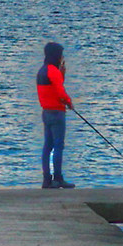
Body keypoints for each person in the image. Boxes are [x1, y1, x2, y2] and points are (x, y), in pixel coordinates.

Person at [35, 41, 74, 189]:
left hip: (46, 112)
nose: (62, 57)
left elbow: (52, 88)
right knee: (58, 146)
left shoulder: (42, 70)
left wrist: (61, 75)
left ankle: (47, 180)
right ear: (56, 55)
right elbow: (60, 93)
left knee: (48, 146)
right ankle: (58, 178)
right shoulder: (53, 71)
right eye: (61, 54)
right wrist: (69, 103)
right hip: (57, 113)